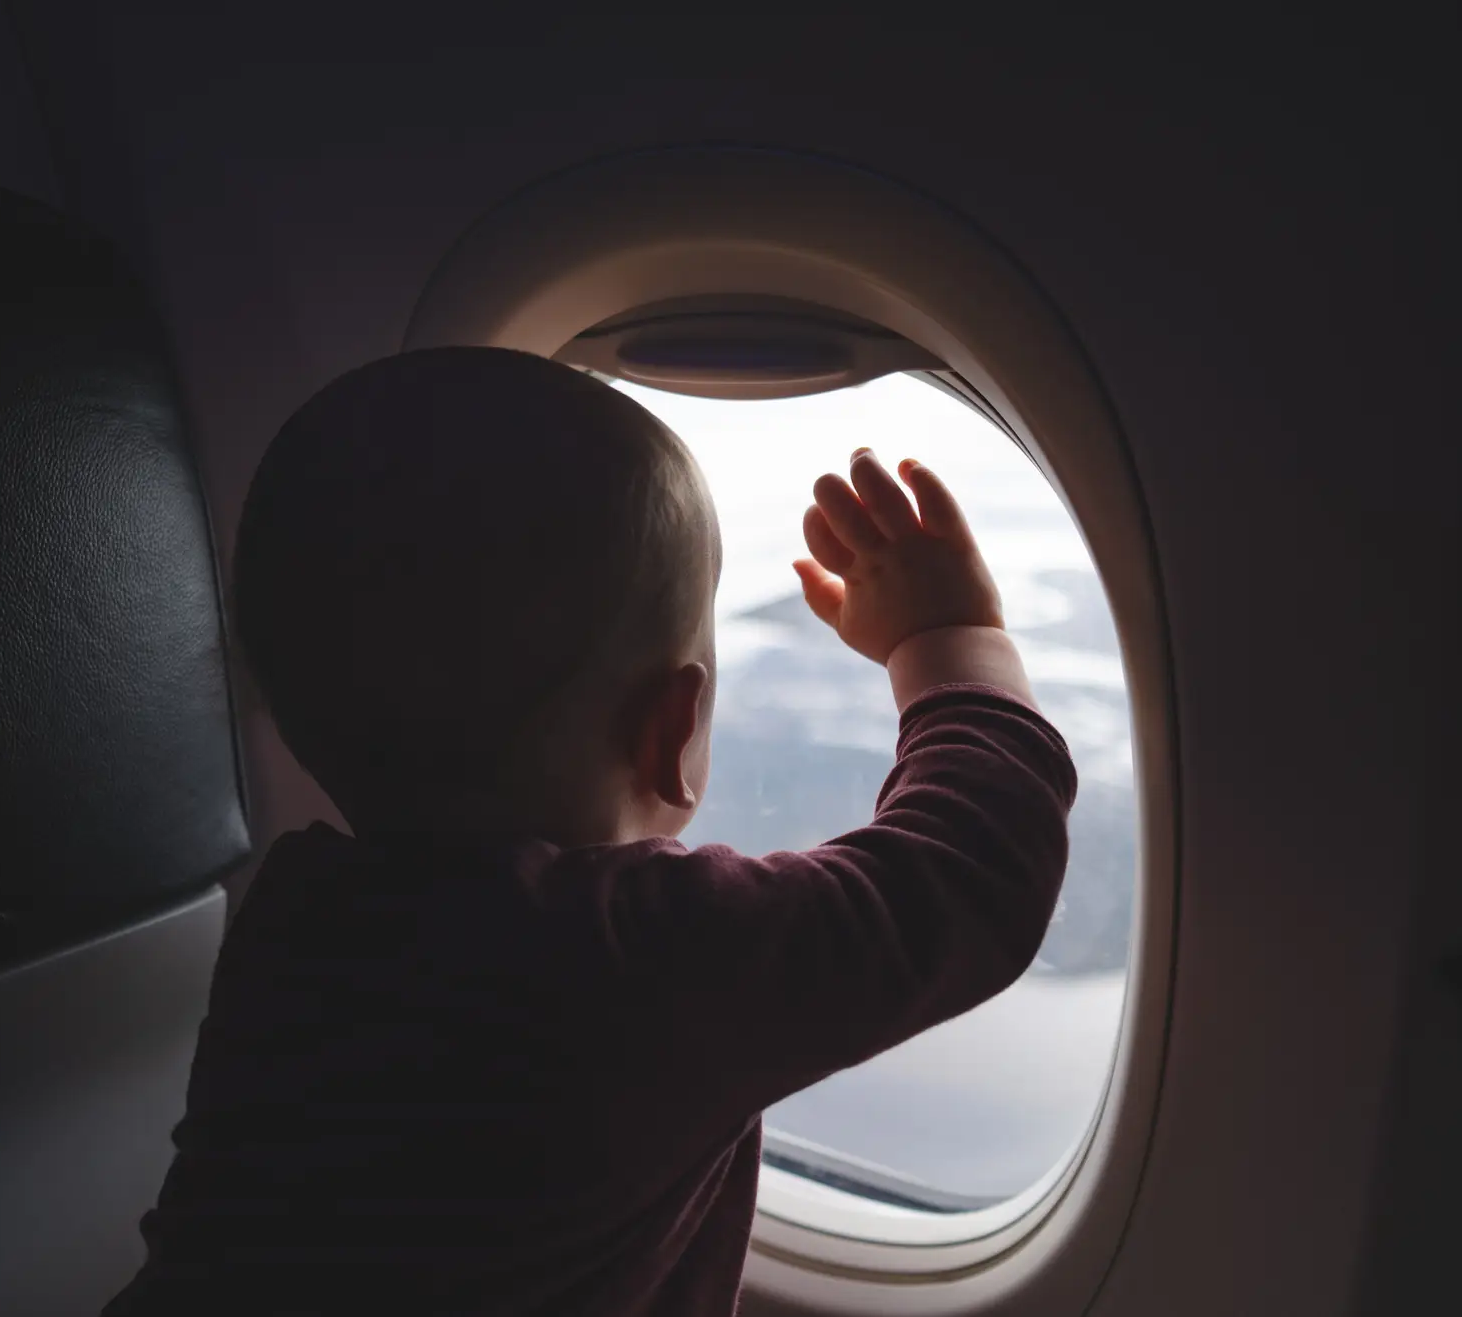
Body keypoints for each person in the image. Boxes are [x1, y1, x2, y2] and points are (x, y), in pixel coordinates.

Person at [106, 347, 1076, 1316]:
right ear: (672, 732)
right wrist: (946, 637)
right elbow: (969, 875)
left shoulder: (296, 919)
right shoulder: (645, 956)